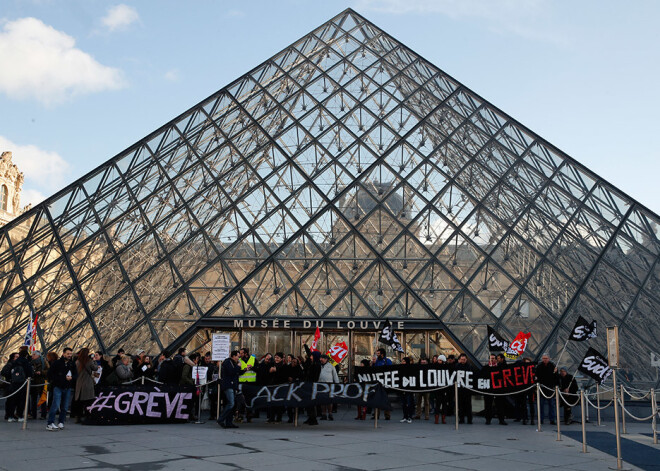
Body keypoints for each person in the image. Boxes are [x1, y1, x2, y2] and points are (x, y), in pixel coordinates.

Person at [47, 347, 77, 431]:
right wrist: (63, 378)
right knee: (55, 405)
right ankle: (50, 423)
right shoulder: (57, 363)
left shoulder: (72, 364)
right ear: (63, 354)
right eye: (68, 354)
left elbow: (76, 375)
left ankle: (61, 422)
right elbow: (50, 374)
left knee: (65, 406)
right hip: (58, 386)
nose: (69, 355)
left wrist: (72, 378)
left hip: (67, 387)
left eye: (70, 354)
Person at [4, 350, 33, 422]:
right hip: (23, 383)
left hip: (13, 383)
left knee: (12, 400)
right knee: (21, 401)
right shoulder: (26, 362)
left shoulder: (15, 362)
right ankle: (20, 416)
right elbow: (30, 373)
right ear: (26, 355)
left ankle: (10, 416)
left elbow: (9, 372)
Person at [72, 348, 98, 423]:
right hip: (88, 383)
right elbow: (95, 368)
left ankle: (78, 417)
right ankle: (87, 416)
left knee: (79, 402)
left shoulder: (77, 362)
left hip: (79, 383)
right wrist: (94, 360)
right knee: (88, 401)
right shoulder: (89, 361)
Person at [218, 350, 241, 429]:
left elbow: (236, 373)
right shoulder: (228, 362)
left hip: (233, 385)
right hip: (228, 385)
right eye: (238, 356)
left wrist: (243, 369)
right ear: (233, 356)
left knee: (231, 404)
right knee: (231, 403)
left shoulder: (233, 363)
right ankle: (221, 419)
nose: (238, 358)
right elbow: (231, 372)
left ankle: (229, 422)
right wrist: (238, 366)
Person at [536, 353, 557, 425]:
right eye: (543, 358)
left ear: (549, 358)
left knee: (551, 405)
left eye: (546, 358)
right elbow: (536, 376)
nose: (545, 360)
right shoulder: (539, 366)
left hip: (550, 388)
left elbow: (556, 377)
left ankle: (552, 419)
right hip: (542, 388)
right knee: (541, 405)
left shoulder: (553, 366)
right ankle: (541, 419)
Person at [318, 354, 339, 420]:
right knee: (322, 400)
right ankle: (324, 414)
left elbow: (335, 375)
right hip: (321, 384)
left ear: (326, 359)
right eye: (320, 358)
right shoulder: (318, 365)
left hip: (329, 384)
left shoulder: (331, 366)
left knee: (329, 400)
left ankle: (330, 413)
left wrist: (337, 384)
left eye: (323, 358)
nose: (321, 359)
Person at [373, 348, 392, 421]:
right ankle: (376, 415)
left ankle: (387, 415)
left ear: (382, 354)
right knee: (377, 399)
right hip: (378, 383)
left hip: (385, 383)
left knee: (385, 399)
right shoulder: (377, 361)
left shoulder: (387, 361)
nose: (377, 355)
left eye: (378, 354)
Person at [29, 351, 47, 420]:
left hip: (41, 382)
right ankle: (33, 414)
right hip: (33, 382)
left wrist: (41, 372)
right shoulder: (31, 362)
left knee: (42, 399)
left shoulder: (44, 362)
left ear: (38, 356)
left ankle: (43, 414)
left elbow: (48, 371)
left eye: (34, 355)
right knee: (33, 399)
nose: (32, 356)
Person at [399, 357, 415, 423]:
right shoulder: (400, 369)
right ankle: (405, 416)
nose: (403, 362)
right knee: (403, 404)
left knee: (409, 403)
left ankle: (410, 416)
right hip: (402, 389)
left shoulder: (411, 369)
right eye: (402, 361)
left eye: (404, 361)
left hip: (408, 389)